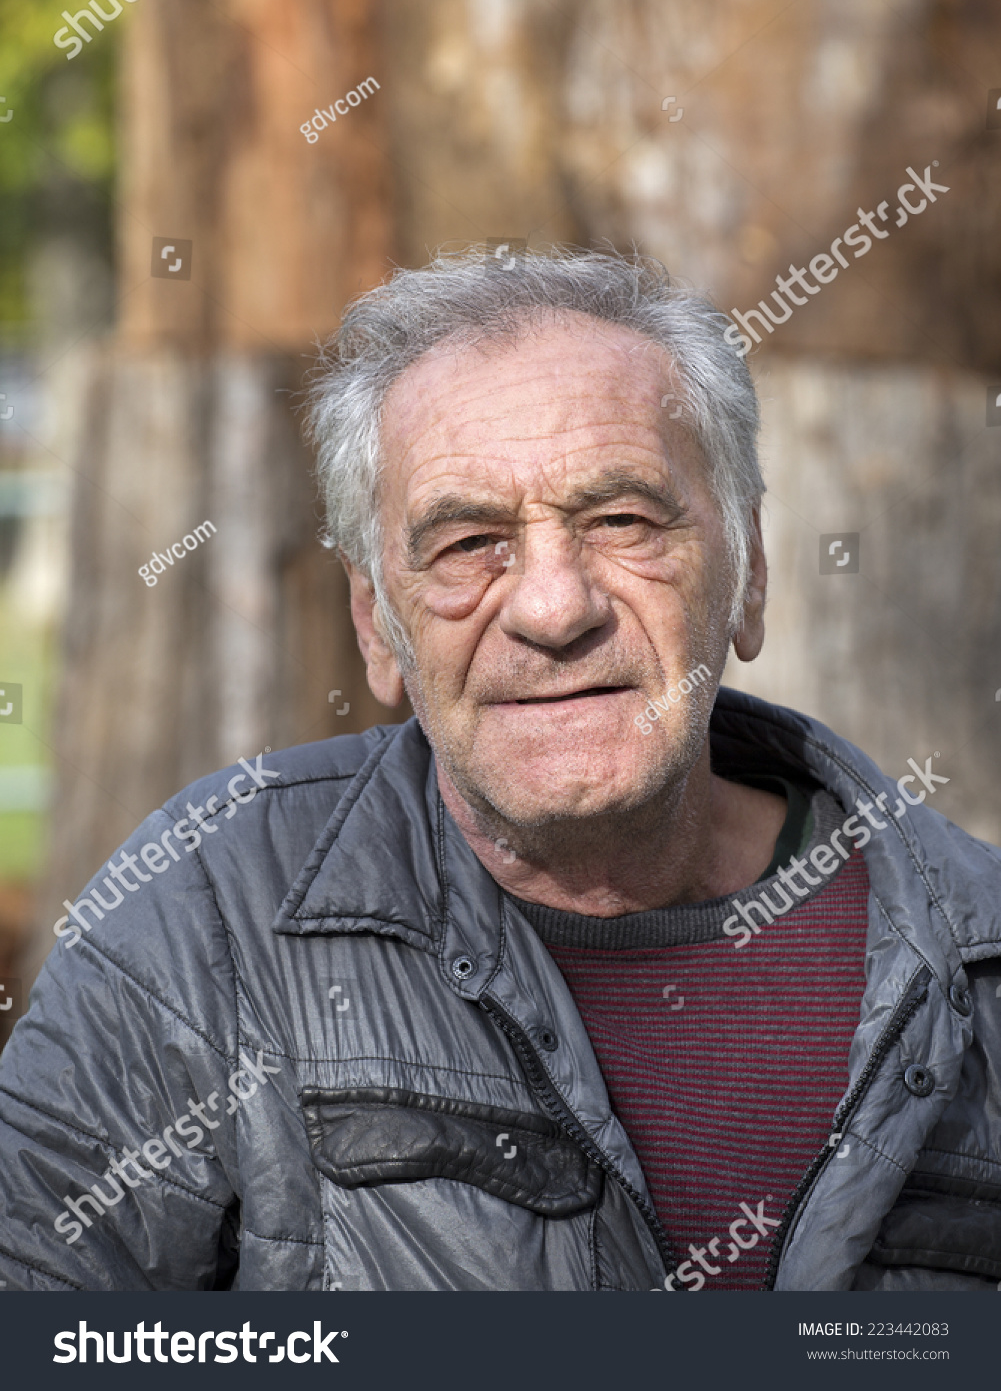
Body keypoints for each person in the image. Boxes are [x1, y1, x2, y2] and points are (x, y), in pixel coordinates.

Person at [1, 249, 999, 1293]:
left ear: (745, 571)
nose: (553, 607)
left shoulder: (976, 954)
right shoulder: (200, 924)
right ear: (374, 626)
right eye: (468, 542)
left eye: (620, 520)